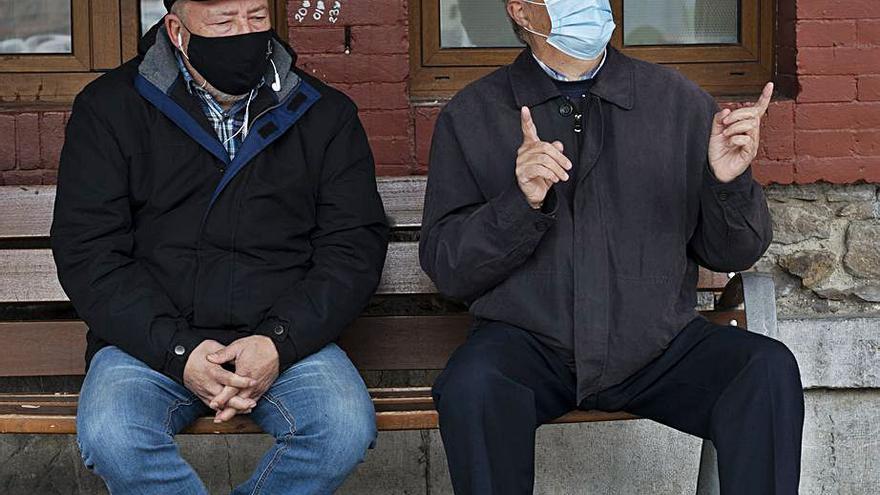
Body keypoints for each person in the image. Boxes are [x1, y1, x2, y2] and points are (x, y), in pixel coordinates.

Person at [419, 1, 803, 494]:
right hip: (529, 344)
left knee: (764, 371)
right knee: (472, 387)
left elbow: (732, 253)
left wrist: (727, 182)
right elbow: (449, 268)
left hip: (657, 346)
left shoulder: (677, 103)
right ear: (522, 10)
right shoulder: (473, 114)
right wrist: (521, 203)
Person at [50, 0, 389, 493]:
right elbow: (89, 252)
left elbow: (353, 247)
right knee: (113, 435)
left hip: (283, 342)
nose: (244, 33)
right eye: (225, 21)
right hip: (150, 345)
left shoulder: (323, 112)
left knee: (340, 430)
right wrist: (178, 349)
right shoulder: (110, 108)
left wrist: (278, 341)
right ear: (177, 30)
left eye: (256, 17)